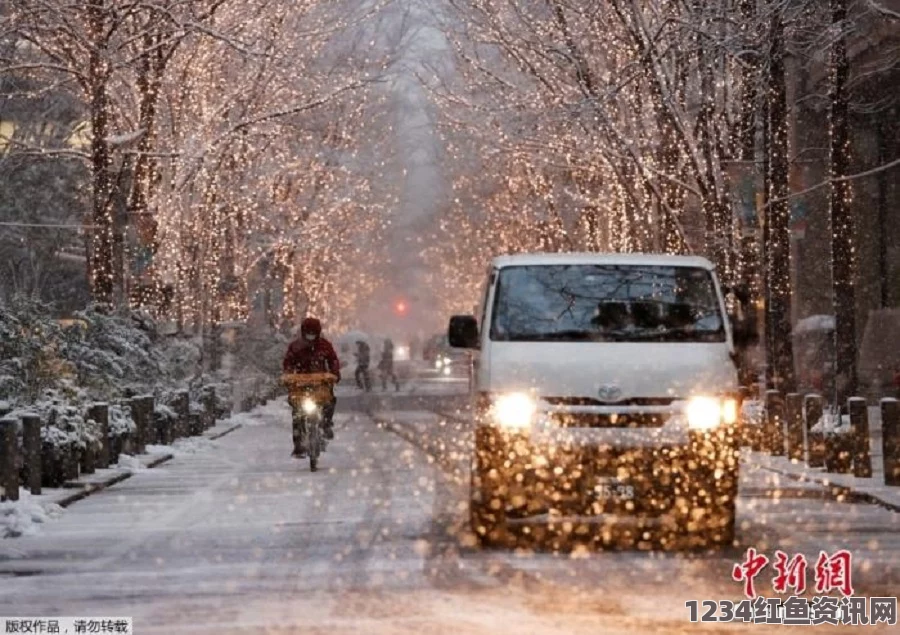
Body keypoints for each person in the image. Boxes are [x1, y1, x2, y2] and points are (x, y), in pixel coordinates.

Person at [282, 317, 340, 458]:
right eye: (308, 332)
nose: (311, 335)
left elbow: (333, 360)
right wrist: (288, 376)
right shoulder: (295, 347)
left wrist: (334, 374)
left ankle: (326, 425)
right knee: (297, 413)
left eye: (313, 332)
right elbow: (288, 363)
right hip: (300, 385)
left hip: (320, 384)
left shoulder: (325, 346)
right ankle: (299, 445)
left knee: (329, 401)